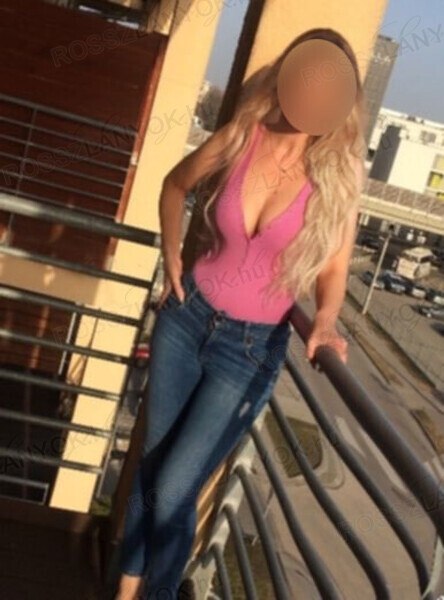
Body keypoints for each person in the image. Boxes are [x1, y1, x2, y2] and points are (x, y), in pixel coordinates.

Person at [114, 26, 367, 600]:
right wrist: (172, 253)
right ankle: (125, 591)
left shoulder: (340, 173)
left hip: (248, 349)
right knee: (154, 466)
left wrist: (325, 320)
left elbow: (334, 267)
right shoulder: (243, 135)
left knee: (176, 485)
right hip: (185, 319)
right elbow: (175, 185)